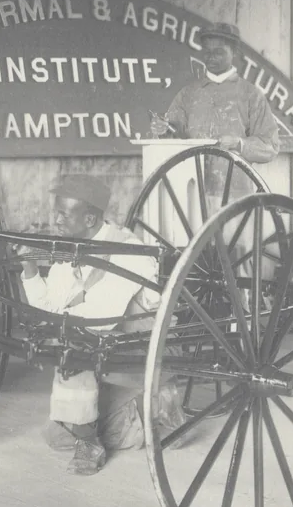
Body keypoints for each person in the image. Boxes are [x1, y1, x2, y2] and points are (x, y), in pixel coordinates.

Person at [19, 175, 185, 476]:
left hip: (147, 352)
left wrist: (58, 327)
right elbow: (48, 312)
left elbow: (98, 318)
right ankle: (145, 410)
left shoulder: (129, 252)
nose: (55, 220)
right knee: (58, 436)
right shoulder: (72, 249)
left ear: (90, 218)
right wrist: (30, 271)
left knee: (76, 345)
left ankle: (146, 410)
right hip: (109, 351)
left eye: (63, 215)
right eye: (56, 212)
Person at [150, 21, 280, 167]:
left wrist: (240, 144)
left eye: (219, 52)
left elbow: (271, 147)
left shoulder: (252, 95)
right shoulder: (187, 95)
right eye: (206, 51)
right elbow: (173, 140)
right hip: (194, 185)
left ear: (234, 52)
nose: (211, 57)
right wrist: (162, 130)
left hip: (236, 186)